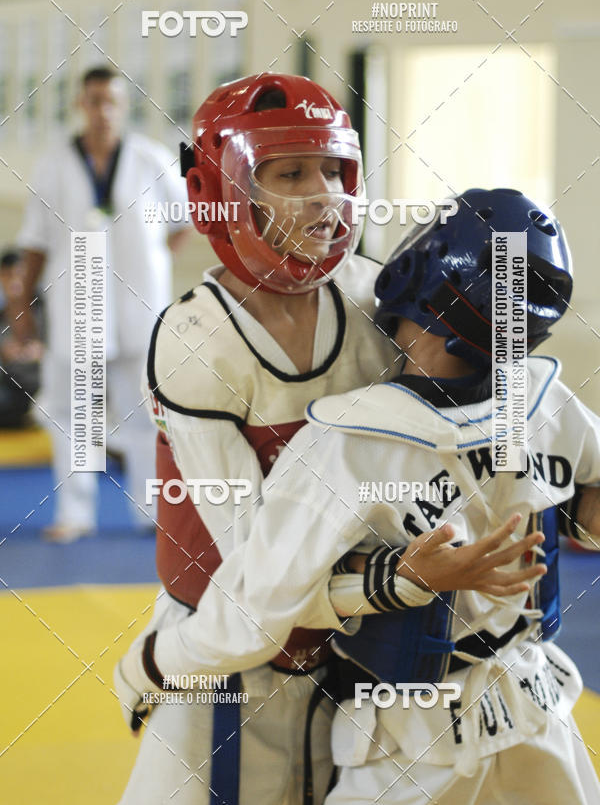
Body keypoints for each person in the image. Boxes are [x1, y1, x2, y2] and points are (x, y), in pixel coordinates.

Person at [114, 72, 551, 805]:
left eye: (335, 171)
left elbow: (453, 428)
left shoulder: (375, 295)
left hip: (367, 652)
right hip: (228, 643)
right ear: (220, 193)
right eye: (290, 173)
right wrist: (162, 662)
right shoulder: (201, 338)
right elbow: (258, 584)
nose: (325, 194)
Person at [12, 65, 188, 542]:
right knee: (72, 417)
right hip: (78, 304)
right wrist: (21, 309)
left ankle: (152, 513)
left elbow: (181, 225)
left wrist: (150, 264)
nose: (102, 110)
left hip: (139, 304)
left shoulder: (151, 159)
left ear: (123, 105)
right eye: (93, 101)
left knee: (145, 416)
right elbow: (32, 245)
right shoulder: (53, 164)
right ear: (80, 104)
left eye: (111, 101)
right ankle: (75, 514)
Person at [0, 248, 44, 427]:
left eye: (19, 274)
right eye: (8, 275)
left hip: (44, 383)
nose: (14, 281)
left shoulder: (45, 309)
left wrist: (42, 351)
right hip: (10, 388)